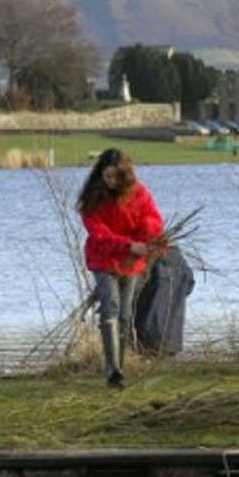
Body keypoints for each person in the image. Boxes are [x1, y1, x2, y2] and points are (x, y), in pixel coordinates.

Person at [78, 147, 164, 389]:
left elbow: (153, 220)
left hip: (133, 261)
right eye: (107, 177)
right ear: (100, 175)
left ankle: (121, 369)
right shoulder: (91, 198)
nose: (111, 182)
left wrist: (147, 238)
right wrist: (128, 245)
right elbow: (99, 234)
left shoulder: (140, 194)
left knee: (125, 313)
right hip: (103, 258)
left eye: (116, 177)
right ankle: (111, 370)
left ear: (125, 175)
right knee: (111, 304)